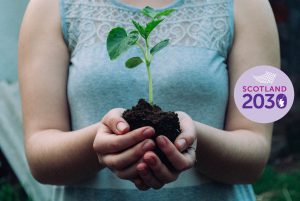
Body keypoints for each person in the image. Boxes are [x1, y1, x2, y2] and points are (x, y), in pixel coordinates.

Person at [18, 0, 280, 200]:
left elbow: (255, 154)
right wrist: (98, 145)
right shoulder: (50, 6)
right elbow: (40, 158)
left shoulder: (250, 6)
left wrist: (194, 138)